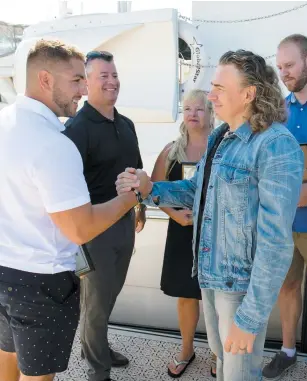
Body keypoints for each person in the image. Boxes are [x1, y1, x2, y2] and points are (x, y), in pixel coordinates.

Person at [115, 49, 304, 381]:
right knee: (227, 369)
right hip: (210, 278)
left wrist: (250, 318)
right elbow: (195, 191)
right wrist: (151, 187)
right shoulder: (221, 137)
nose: (211, 95)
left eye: (219, 88)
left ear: (248, 94)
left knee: (239, 375)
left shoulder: (276, 145)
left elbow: (276, 244)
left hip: (240, 289)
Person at [0, 40, 149, 381]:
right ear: (45, 79)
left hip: (6, 271)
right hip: (43, 279)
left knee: (7, 359)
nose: (83, 89)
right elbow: (80, 229)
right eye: (77, 80)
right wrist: (134, 196)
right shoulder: (57, 141)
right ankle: (98, 368)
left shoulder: (6, 121)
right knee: (38, 376)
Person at [63, 50, 146, 381]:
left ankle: (94, 346)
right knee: (95, 305)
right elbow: (64, 187)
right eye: (103, 76)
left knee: (109, 295)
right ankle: (98, 370)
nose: (112, 82)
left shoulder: (126, 125)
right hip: (93, 231)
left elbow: (135, 171)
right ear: (86, 83)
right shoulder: (76, 129)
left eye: (114, 75)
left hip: (124, 224)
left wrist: (137, 206)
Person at [150, 89, 217, 378]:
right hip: (181, 231)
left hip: (216, 233)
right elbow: (153, 189)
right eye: (188, 108)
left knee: (216, 297)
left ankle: (218, 353)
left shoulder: (222, 146)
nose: (193, 113)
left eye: (199, 109)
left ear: (210, 112)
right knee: (186, 297)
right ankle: (187, 350)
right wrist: (175, 215)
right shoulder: (171, 151)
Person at [263, 34, 307, 380]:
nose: (284, 73)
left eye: (290, 65)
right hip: (284, 222)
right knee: (287, 287)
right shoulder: (278, 111)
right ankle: (288, 351)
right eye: (280, 67)